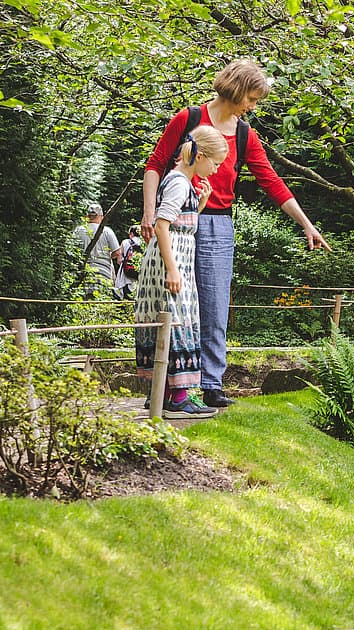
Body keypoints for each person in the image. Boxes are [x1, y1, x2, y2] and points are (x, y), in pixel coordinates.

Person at [142, 58, 331, 409]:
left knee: (213, 307)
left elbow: (271, 181)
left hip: (216, 224)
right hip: (176, 221)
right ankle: (170, 386)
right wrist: (150, 213)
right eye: (252, 99)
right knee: (176, 304)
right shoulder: (188, 120)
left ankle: (210, 384)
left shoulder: (245, 134)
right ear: (239, 89)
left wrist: (306, 223)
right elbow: (155, 164)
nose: (253, 107)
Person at [135, 126, 228, 420]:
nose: (215, 170)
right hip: (171, 259)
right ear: (199, 156)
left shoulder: (183, 182)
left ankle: (162, 395)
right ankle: (177, 398)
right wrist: (173, 269)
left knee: (174, 320)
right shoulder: (178, 182)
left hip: (175, 255)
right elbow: (162, 226)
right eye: (214, 163)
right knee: (175, 321)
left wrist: (199, 204)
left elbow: (179, 221)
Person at [72, 203, 120, 295]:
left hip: (83, 273)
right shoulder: (107, 231)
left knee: (82, 301)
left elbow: (72, 251)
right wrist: (109, 255)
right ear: (101, 216)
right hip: (103, 274)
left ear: (87, 216)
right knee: (101, 301)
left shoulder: (78, 230)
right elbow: (117, 252)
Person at [114, 225, 145, 299]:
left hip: (125, 277)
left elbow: (119, 260)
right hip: (140, 277)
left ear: (131, 234)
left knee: (124, 299)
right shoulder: (145, 243)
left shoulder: (125, 242)